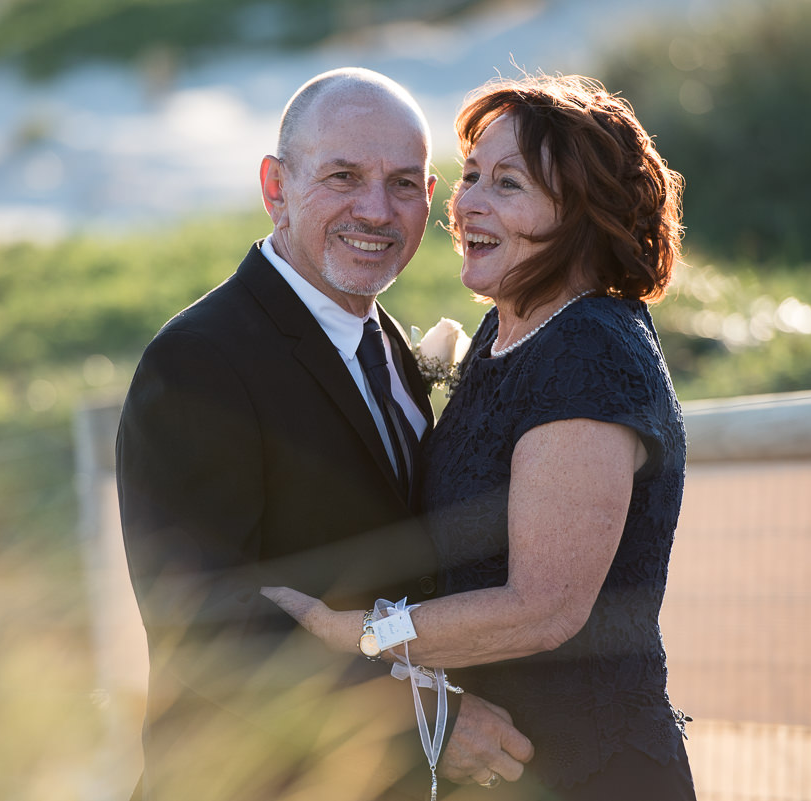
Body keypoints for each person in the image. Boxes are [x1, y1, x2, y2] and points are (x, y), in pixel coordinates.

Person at [263, 73, 696, 800]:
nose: (465, 205)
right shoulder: (510, 323)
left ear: (582, 216)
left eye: (507, 184)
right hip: (503, 766)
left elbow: (545, 606)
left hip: (588, 768)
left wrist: (363, 636)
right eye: (469, 177)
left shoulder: (589, 350)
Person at [116, 67, 533, 801]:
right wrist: (425, 720)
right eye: (343, 176)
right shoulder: (198, 362)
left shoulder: (392, 349)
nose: (376, 210)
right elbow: (205, 620)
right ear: (275, 186)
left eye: (403, 184)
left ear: (429, 201)